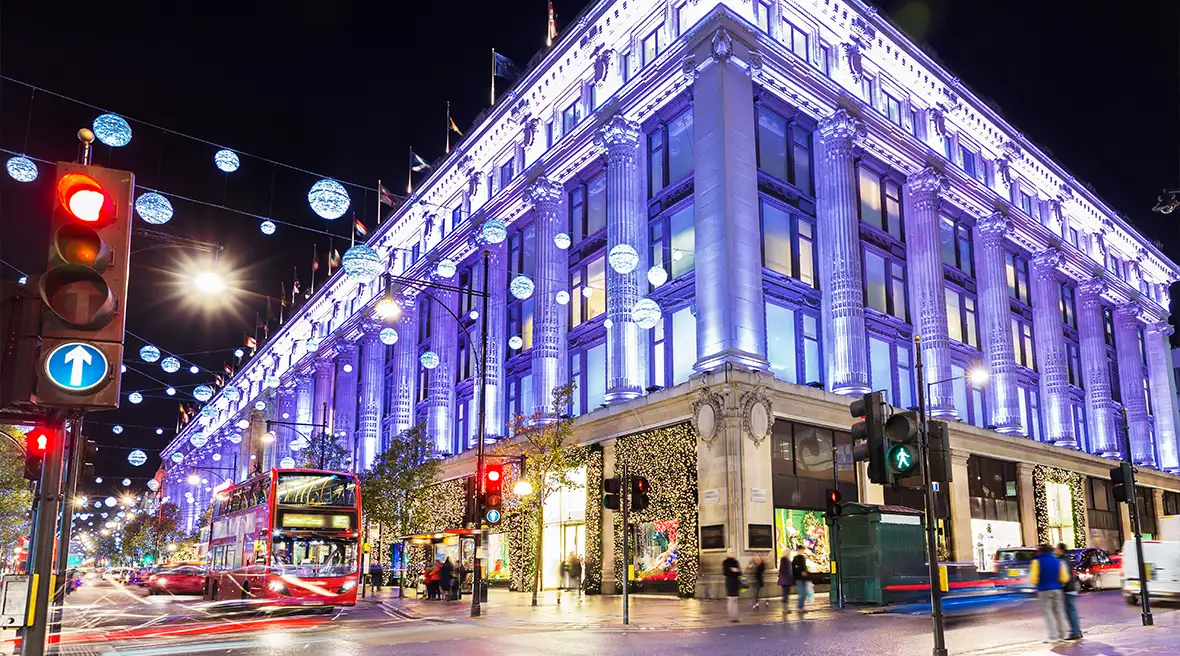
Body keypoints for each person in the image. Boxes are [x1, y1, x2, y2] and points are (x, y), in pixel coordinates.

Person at [1030, 543, 1070, 642]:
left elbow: (1033, 579)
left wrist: (1038, 583)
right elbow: (1065, 578)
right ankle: (1063, 635)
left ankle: (1053, 636)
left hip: (1044, 590)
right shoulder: (1058, 561)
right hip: (1057, 589)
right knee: (1059, 612)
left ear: (1040, 551)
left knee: (1048, 613)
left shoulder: (1037, 562)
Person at [1056, 544, 1082, 640]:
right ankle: (1077, 631)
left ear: (1061, 550)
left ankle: (1075, 632)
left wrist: (1061, 584)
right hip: (1070, 588)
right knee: (1071, 610)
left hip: (1067, 589)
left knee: (1070, 611)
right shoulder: (1066, 559)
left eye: (1057, 549)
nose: (1055, 551)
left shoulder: (1063, 561)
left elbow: (1065, 576)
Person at [722, 548, 742, 623]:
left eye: (733, 552)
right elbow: (725, 572)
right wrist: (732, 570)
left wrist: (737, 570)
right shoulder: (725, 562)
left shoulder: (736, 562)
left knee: (735, 600)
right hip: (730, 582)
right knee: (730, 600)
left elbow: (740, 572)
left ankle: (735, 617)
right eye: (731, 552)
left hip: (736, 583)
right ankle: (731, 617)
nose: (732, 554)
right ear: (728, 553)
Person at [791, 548, 811, 613]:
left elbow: (803, 567)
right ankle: (800, 607)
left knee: (804, 593)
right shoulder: (796, 558)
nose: (802, 551)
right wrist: (801, 572)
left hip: (803, 578)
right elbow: (794, 568)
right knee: (801, 593)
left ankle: (801, 606)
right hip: (799, 578)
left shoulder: (803, 558)